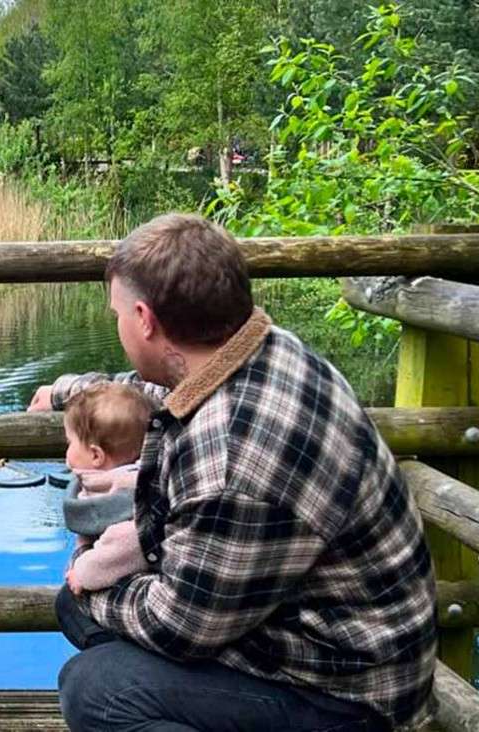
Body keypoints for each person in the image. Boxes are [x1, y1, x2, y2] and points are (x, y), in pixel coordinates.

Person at [29, 213, 436, 731]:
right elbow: (150, 392)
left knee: (95, 689)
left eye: (117, 315)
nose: (117, 325)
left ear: (144, 319)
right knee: (77, 608)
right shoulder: (263, 349)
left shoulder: (232, 458)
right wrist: (71, 392)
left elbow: (180, 628)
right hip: (316, 632)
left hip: (348, 693)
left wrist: (91, 584)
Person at [59, 383, 154, 595]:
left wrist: (82, 572)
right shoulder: (105, 481)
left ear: (96, 456)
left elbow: (127, 543)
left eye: (70, 442)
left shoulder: (128, 489)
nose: (67, 450)